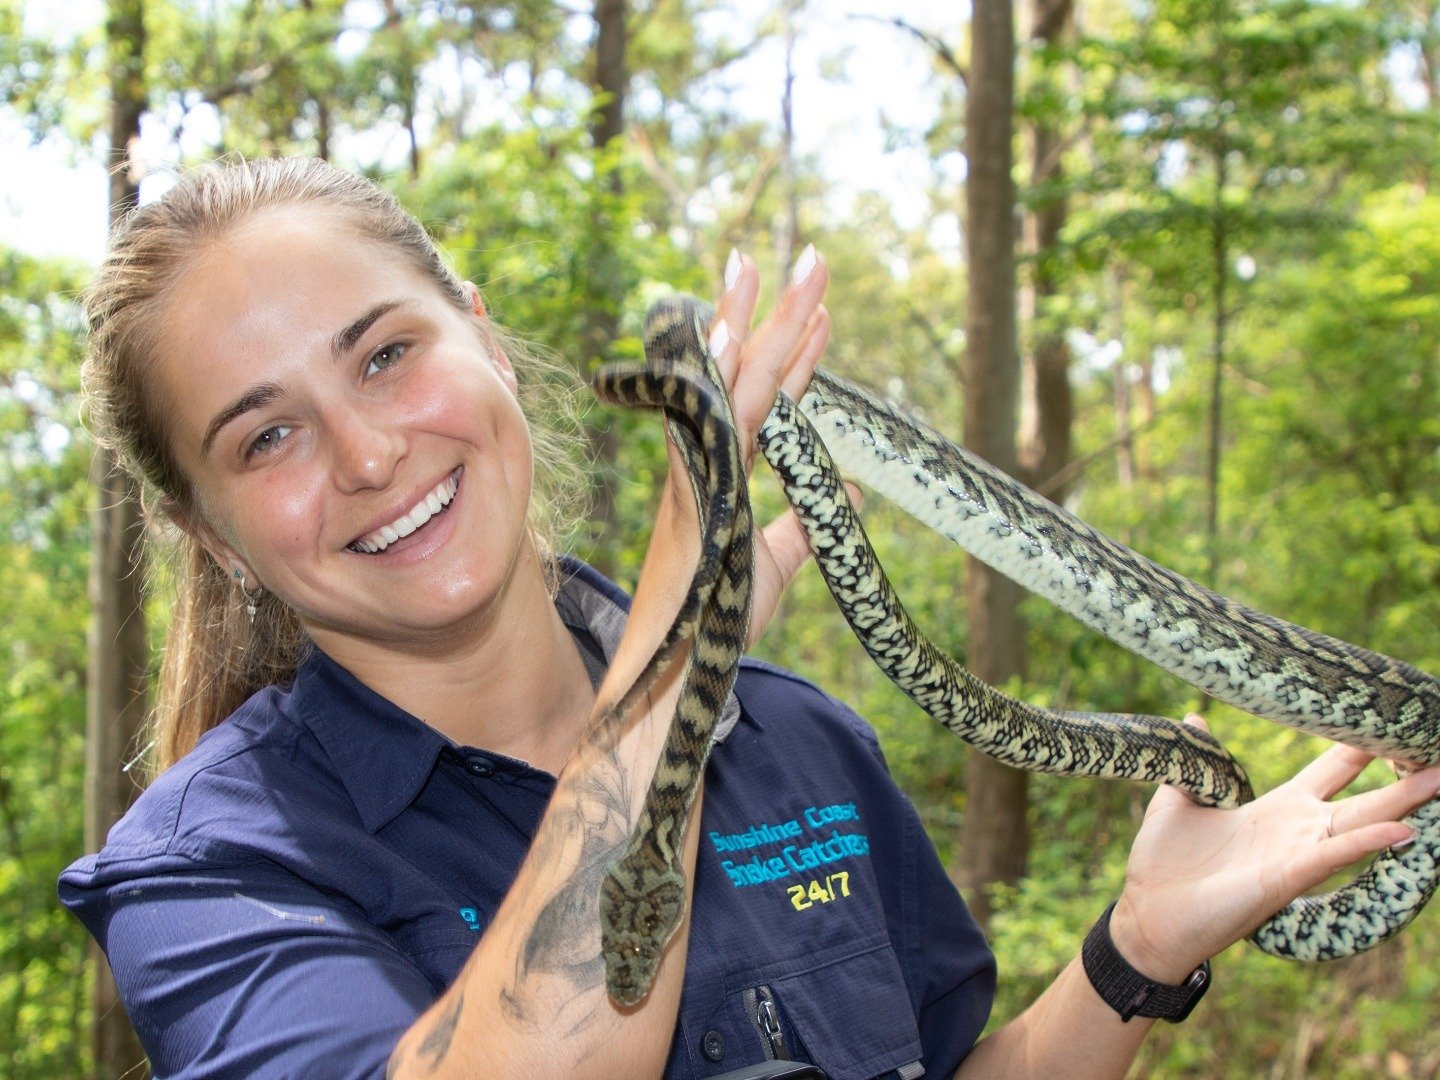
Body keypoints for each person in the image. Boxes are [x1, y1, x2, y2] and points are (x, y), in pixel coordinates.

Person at [60, 157, 1438, 1080]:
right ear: (207, 534)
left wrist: (1138, 950)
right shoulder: (210, 879)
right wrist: (685, 630)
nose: (366, 454)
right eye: (265, 438)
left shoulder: (797, 739)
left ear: (480, 335)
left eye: (388, 352)